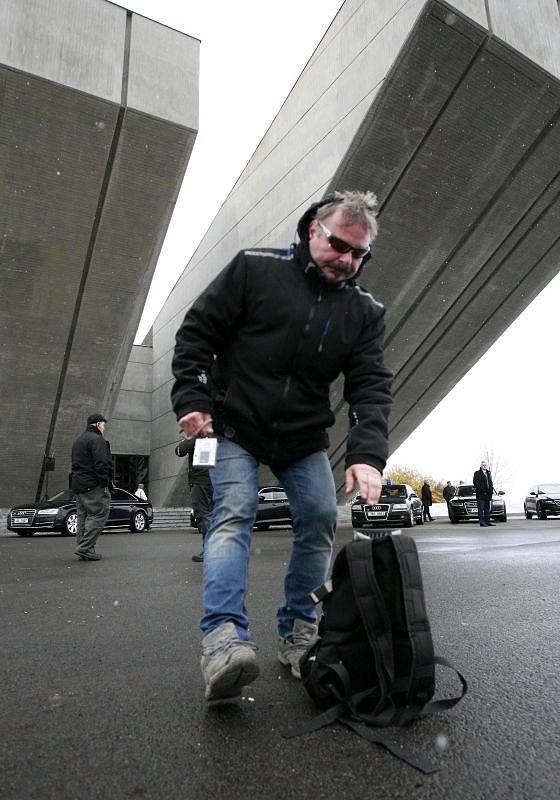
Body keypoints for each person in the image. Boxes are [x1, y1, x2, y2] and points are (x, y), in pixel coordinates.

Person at [171, 190, 392, 702]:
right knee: (234, 511)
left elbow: (370, 385)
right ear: (313, 229)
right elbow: (196, 333)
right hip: (234, 421)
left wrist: (366, 454)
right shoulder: (254, 269)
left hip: (301, 434)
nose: (347, 260)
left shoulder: (364, 311)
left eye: (359, 254)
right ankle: (223, 639)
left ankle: (299, 634)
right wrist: (192, 397)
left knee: (319, 515)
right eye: (339, 245)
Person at [70, 413, 113, 561]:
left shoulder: (78, 440)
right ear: (97, 424)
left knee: (83, 517)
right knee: (99, 514)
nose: (104, 427)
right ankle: (85, 548)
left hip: (78, 485)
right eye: (103, 424)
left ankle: (85, 549)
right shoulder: (97, 440)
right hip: (93, 485)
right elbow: (101, 463)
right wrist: (105, 483)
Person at [175, 437, 214, 563]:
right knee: (210, 514)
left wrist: (185, 440)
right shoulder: (213, 435)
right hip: (211, 480)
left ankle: (210, 551)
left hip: (200, 481)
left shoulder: (198, 437)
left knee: (203, 515)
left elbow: (179, 450)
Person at [473, 460, 495, 527]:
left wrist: (491, 491)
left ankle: (487, 522)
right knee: (481, 509)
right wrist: (482, 489)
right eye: (483, 465)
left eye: (485, 465)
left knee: (487, 509)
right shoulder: (477, 473)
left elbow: (490, 483)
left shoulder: (489, 473)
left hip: (488, 495)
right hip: (480, 495)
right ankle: (482, 523)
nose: (484, 466)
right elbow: (475, 483)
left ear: (487, 466)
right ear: (481, 466)